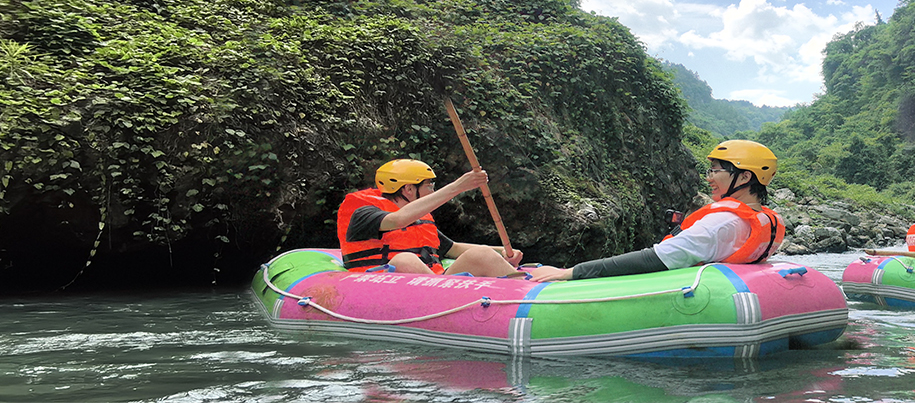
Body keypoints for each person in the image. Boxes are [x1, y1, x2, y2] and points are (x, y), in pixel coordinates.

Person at [526, 140, 786, 282]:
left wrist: (570, 272)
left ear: (743, 178)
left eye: (716, 170)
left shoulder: (718, 226)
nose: (709, 178)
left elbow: (653, 259)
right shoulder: (769, 221)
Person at [335, 159, 523, 277]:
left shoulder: (419, 220)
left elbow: (453, 248)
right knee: (405, 260)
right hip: (380, 281)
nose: (432, 190)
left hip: (435, 281)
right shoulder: (363, 213)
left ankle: (521, 292)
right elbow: (396, 220)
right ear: (409, 189)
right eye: (429, 186)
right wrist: (457, 187)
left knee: (482, 254)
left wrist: (502, 253)